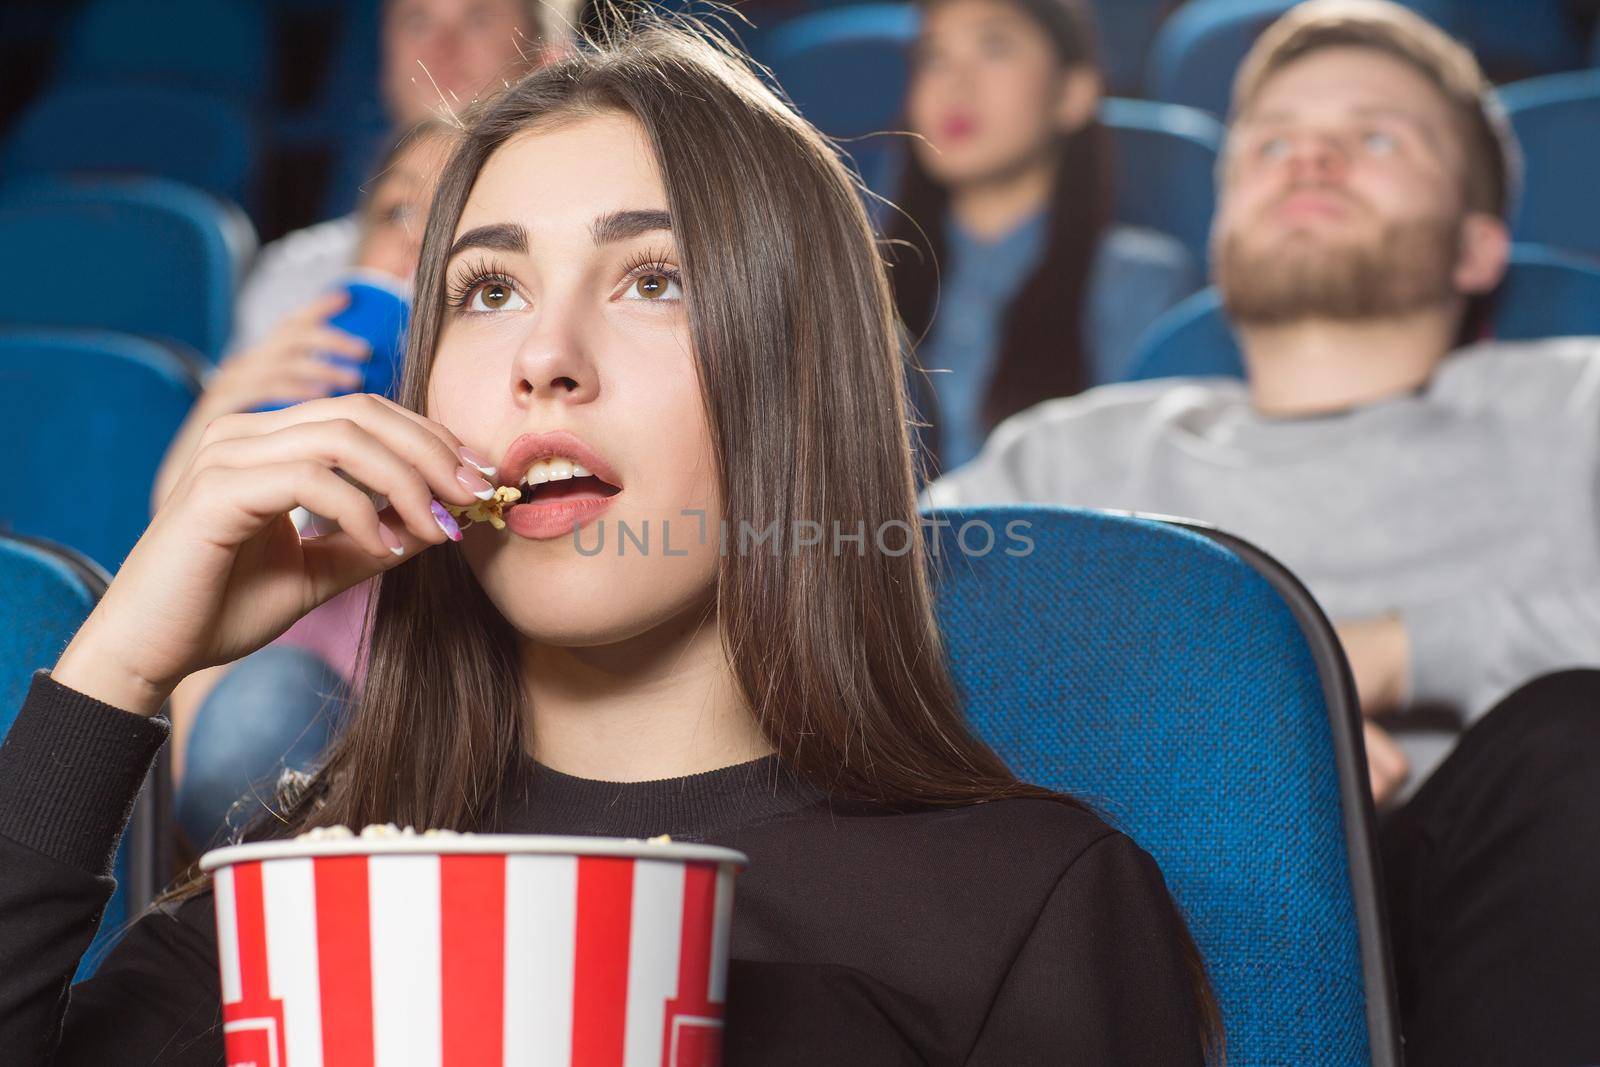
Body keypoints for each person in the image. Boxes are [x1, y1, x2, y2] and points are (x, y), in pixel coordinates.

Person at [0, 17, 1219, 1064]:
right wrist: (114, 669)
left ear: (799, 385)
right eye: (489, 291)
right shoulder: (298, 891)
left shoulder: (1035, 900)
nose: (544, 358)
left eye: (656, 279)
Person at [923, 2, 1600, 1061]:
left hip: (1473, 898)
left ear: (1479, 243)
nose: (1311, 156)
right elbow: (856, 630)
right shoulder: (1063, 453)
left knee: (1575, 743)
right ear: (1222, 219)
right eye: (1270, 140)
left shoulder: (1577, 403)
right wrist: (1253, 720)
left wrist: (1393, 650)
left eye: (1376, 135)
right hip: (1130, 907)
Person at [147, 120, 455, 851]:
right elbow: (200, 749)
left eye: (451, 219)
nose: (414, 243)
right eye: (397, 213)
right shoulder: (285, 486)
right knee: (267, 695)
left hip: (444, 816)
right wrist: (212, 441)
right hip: (266, 825)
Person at [888, 0, 1199, 470]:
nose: (954, 85)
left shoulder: (1141, 282)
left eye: (994, 48)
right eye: (934, 57)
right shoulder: (856, 275)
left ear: (1073, 93)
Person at [232, 0, 555, 354]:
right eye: (417, 22)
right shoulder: (300, 274)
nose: (440, 49)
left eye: (479, 19)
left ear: (550, 62)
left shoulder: (572, 267)